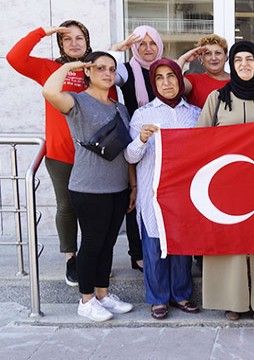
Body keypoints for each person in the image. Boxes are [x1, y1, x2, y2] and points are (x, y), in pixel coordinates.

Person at [196, 41, 254, 321]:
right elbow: (199, 141)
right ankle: (232, 300)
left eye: (250, 59)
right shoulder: (218, 98)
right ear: (232, 64)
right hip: (228, 182)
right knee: (232, 241)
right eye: (239, 60)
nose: (245, 65)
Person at [42, 51, 133, 321]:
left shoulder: (120, 107)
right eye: (100, 68)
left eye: (111, 69)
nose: (107, 73)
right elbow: (49, 90)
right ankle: (86, 299)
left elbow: (126, 150)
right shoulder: (77, 102)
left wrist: (133, 185)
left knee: (107, 244)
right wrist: (71, 65)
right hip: (88, 187)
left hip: (118, 187)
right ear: (88, 72)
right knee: (92, 244)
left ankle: (103, 295)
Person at [7, 20, 95, 287]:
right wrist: (42, 32)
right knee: (66, 206)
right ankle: (71, 257)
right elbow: (14, 57)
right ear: (60, 43)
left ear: (87, 40)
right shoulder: (49, 68)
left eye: (79, 38)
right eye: (67, 39)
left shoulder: (97, 67)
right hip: (61, 154)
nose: (74, 43)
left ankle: (93, 257)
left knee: (93, 209)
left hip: (95, 155)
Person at [124, 59, 201, 320]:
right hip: (153, 192)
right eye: (159, 78)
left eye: (171, 76)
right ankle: (157, 298)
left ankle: (181, 294)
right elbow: (130, 157)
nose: (166, 82)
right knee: (154, 245)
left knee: (181, 246)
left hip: (184, 193)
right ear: (153, 82)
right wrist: (142, 139)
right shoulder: (142, 114)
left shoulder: (195, 113)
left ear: (180, 80)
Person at [110, 25, 166, 272]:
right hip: (135, 138)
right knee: (135, 195)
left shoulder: (165, 70)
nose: (147, 48)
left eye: (152, 42)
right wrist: (115, 50)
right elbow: (104, 71)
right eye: (141, 43)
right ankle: (137, 252)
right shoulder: (126, 70)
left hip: (161, 139)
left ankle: (164, 244)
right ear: (133, 47)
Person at [176, 34, 230, 108]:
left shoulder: (236, 80)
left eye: (218, 53)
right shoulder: (193, 80)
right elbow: (173, 85)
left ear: (226, 56)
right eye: (208, 53)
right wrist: (182, 59)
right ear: (201, 58)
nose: (213, 58)